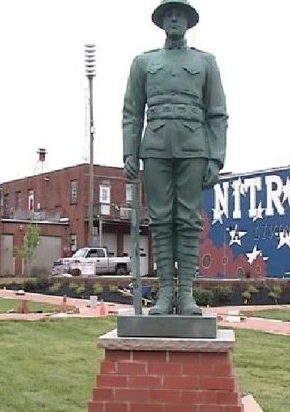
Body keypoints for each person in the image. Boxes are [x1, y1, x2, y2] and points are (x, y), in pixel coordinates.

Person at [122, 0, 228, 315]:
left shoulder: (206, 62)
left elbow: (217, 114)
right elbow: (132, 112)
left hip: (194, 147)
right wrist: (129, 152)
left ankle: (187, 295)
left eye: (179, 14)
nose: (173, 19)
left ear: (188, 21)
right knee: (161, 219)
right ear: (161, 22)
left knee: (188, 220)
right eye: (168, 14)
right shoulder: (143, 63)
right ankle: (165, 292)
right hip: (154, 147)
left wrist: (216, 157)